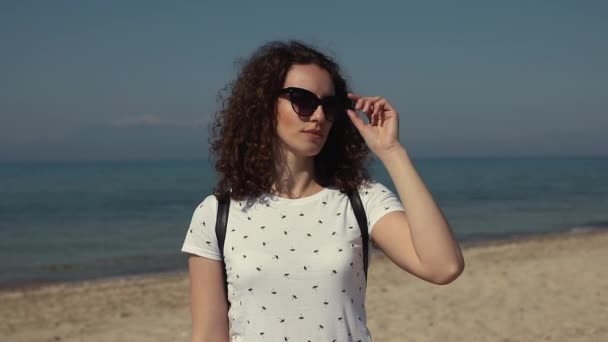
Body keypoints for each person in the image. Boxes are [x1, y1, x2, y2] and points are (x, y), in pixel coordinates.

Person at [181, 40, 464, 342]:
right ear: (264, 104)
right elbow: (209, 335)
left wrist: (392, 151)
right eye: (302, 101)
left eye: (328, 105)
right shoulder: (216, 214)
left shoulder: (360, 199)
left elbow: (443, 266)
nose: (318, 116)